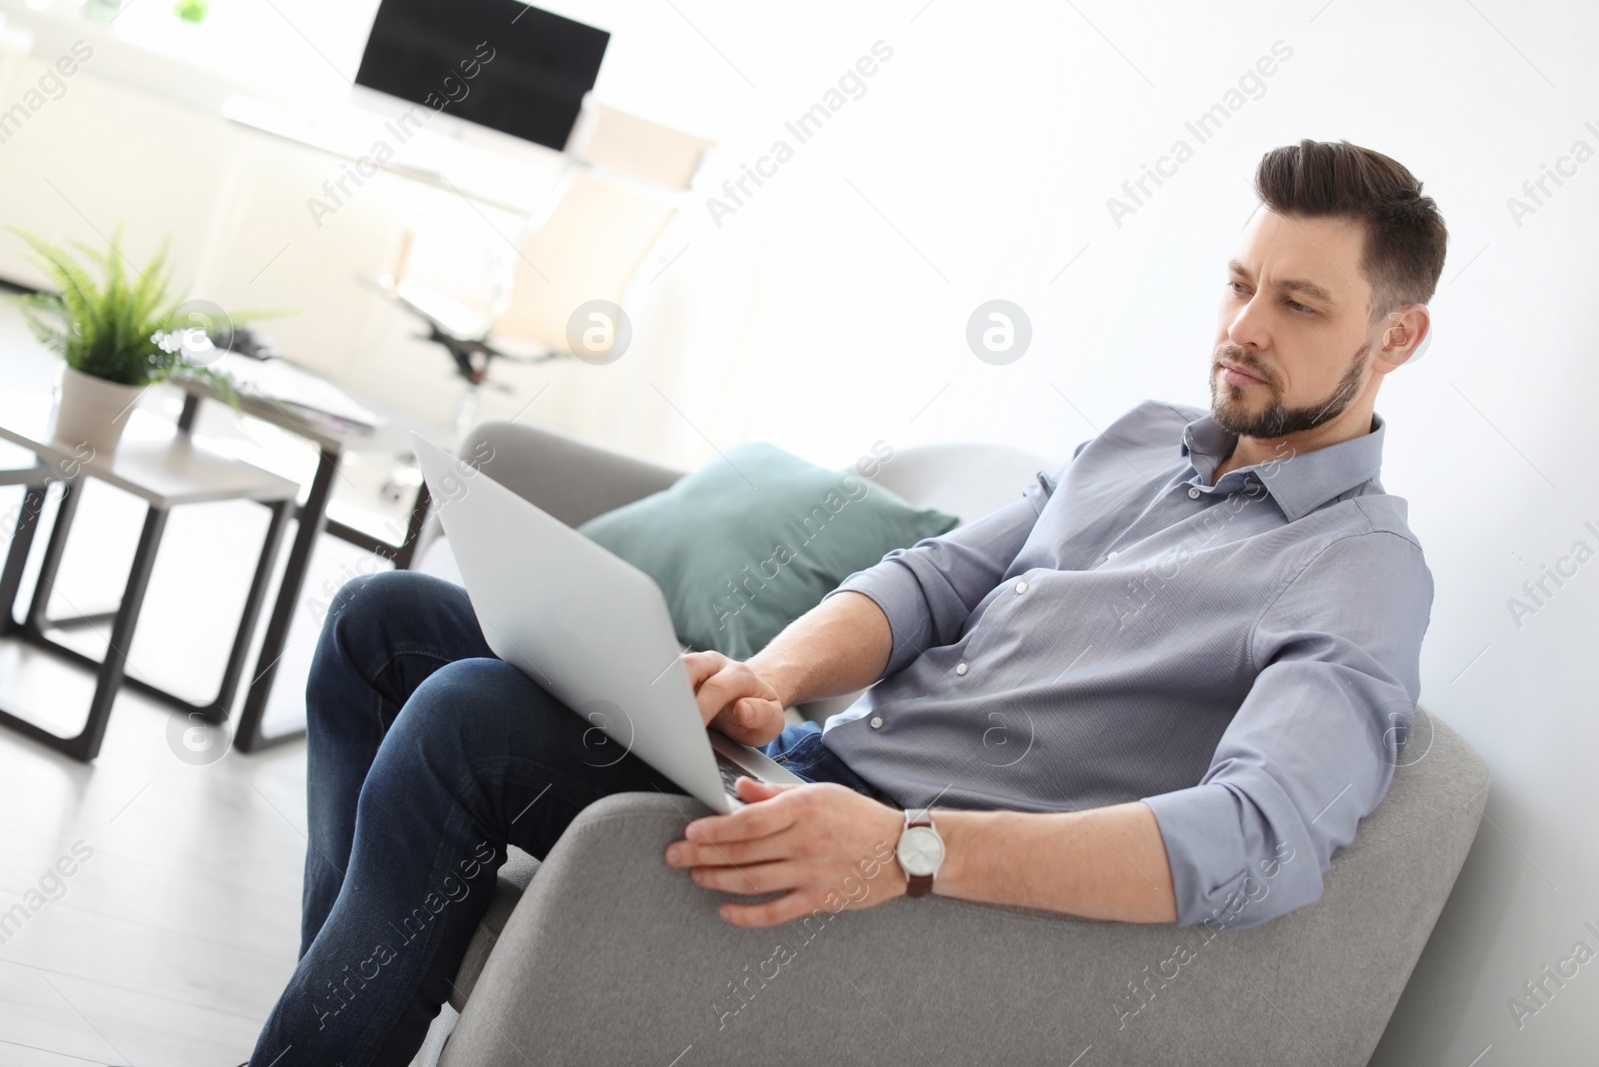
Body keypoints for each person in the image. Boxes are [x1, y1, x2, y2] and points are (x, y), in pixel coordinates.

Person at [246, 138, 1447, 1065]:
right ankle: (345, 1015)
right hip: (812, 766)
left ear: (1396, 336)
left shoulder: (1361, 572)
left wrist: (908, 849)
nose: (1243, 328)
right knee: (380, 621)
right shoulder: (1137, 443)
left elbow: (1259, 840)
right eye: (1241, 283)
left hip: (899, 875)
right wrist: (767, 675)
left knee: (465, 716)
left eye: (1299, 304)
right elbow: (933, 580)